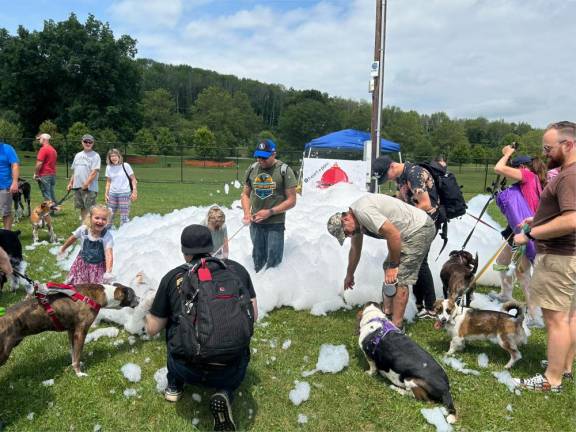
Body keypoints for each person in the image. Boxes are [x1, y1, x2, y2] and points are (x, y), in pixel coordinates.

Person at [145, 224, 257, 431]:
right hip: (229, 368)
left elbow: (153, 328)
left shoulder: (173, 277)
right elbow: (253, 316)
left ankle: (175, 385)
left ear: (184, 251)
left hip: (187, 367)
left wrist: (150, 308)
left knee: (172, 325)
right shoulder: (236, 271)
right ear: (212, 244)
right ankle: (224, 392)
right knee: (238, 355)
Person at [513, 121, 576, 393]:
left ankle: (552, 380)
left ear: (568, 144)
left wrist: (532, 232)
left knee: (556, 320)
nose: (545, 152)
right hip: (570, 255)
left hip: (560, 256)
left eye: (548, 148)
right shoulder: (567, 173)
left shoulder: (568, 176)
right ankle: (564, 366)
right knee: (570, 317)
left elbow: (572, 219)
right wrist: (537, 218)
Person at [327, 193, 436, 329]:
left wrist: (394, 265)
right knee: (388, 268)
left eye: (346, 233)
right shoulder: (357, 219)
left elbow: (393, 234)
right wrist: (350, 274)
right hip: (406, 232)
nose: (349, 236)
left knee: (400, 275)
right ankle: (387, 314)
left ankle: (396, 327)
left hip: (419, 229)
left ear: (346, 219)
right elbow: (355, 249)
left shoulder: (363, 212)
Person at [372, 156, 439, 319]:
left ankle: (431, 307)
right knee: (416, 262)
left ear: (392, 166)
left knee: (421, 263)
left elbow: (425, 204)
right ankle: (419, 303)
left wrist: (405, 217)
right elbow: (402, 201)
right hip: (412, 224)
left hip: (426, 223)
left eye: (387, 175)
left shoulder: (414, 174)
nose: (389, 179)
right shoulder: (401, 177)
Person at [492, 148, 548, 319]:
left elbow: (498, 168)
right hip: (521, 230)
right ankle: (505, 294)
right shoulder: (535, 179)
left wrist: (507, 153)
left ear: (522, 167)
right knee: (502, 261)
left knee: (522, 273)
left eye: (514, 168)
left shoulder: (528, 176)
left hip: (527, 233)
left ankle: (535, 314)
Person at [241, 139, 297, 272]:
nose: (260, 160)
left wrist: (270, 212)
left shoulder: (284, 170)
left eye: (264, 157)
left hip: (275, 224)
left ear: (274, 154)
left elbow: (292, 200)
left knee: (273, 264)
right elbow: (245, 195)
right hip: (255, 223)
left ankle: (274, 290)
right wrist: (247, 213)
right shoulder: (252, 169)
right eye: (258, 156)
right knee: (258, 261)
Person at [59, 204, 114, 284]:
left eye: (104, 219)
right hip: (82, 264)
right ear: (90, 217)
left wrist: (108, 271)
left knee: (95, 289)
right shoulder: (83, 230)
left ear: (107, 221)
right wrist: (63, 248)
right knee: (77, 285)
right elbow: (72, 238)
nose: (100, 221)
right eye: (97, 218)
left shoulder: (106, 236)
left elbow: (109, 254)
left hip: (97, 268)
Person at [67, 134, 101, 221]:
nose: (88, 143)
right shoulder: (78, 155)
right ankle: (84, 226)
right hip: (77, 186)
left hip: (89, 188)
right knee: (82, 208)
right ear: (82, 142)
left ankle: (92, 229)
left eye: (90, 142)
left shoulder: (95, 156)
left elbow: (94, 172)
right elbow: (75, 171)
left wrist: (86, 184)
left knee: (91, 209)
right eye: (85, 141)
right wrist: (70, 183)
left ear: (93, 143)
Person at [104, 149, 138, 226]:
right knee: (109, 216)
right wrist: (106, 193)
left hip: (124, 194)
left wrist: (134, 191)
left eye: (115, 155)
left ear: (119, 156)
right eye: (111, 156)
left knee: (124, 217)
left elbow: (133, 179)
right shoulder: (108, 167)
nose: (113, 158)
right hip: (112, 194)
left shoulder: (125, 165)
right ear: (109, 158)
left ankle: (123, 236)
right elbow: (108, 182)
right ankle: (106, 235)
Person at [0, 140, 20, 231]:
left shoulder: (7, 148)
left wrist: (15, 182)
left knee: (6, 212)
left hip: (5, 186)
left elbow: (15, 165)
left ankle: (7, 235)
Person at [34, 133, 58, 204]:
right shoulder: (53, 150)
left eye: (39, 139)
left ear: (44, 139)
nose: (39, 141)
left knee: (46, 194)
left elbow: (39, 163)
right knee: (51, 193)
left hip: (44, 174)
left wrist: (36, 174)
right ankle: (54, 208)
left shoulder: (43, 149)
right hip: (52, 174)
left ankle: (48, 213)